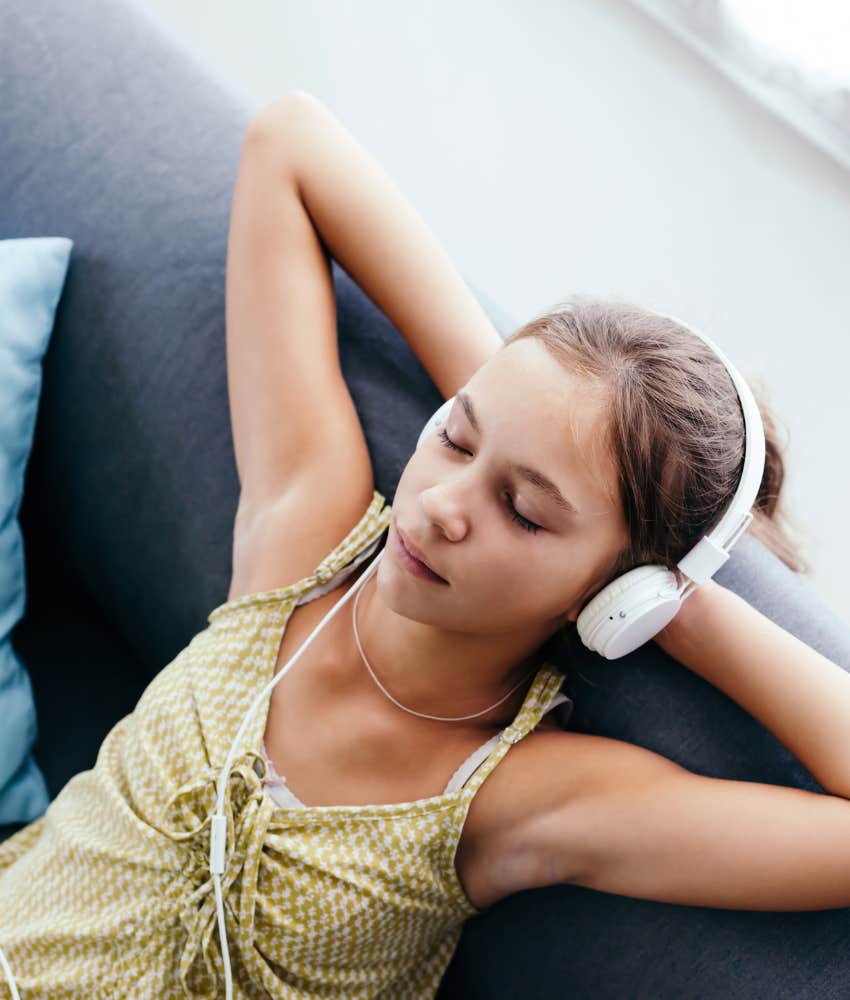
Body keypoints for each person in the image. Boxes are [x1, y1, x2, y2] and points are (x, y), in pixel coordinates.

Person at [1, 89, 848, 1000]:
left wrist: (685, 610)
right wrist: (505, 408)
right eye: (453, 436)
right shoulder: (305, 543)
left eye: (523, 511)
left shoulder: (519, 798)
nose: (444, 507)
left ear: (611, 593)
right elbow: (290, 142)